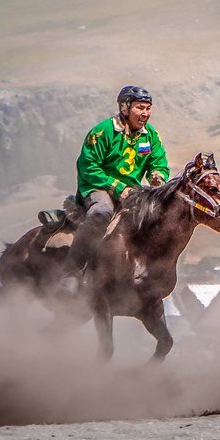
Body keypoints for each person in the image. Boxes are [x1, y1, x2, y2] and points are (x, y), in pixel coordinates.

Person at [57, 85, 170, 295]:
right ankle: (71, 273)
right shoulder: (103, 132)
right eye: (139, 108)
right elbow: (88, 166)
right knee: (101, 213)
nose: (145, 113)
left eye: (148, 108)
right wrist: (118, 188)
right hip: (98, 188)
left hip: (133, 191)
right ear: (125, 107)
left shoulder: (151, 135)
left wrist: (158, 175)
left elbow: (159, 162)